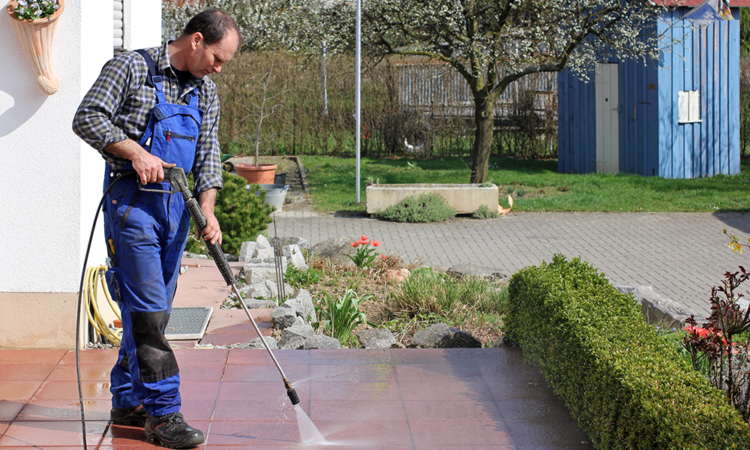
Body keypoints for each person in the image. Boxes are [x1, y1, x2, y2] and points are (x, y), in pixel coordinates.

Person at [73, 9, 240, 449]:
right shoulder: (132, 67)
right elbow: (87, 116)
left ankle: (127, 401)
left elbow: (207, 157)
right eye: (218, 58)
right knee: (150, 314)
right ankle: (164, 414)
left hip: (177, 213)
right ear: (198, 40)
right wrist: (135, 153)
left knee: (150, 310)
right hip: (133, 207)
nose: (219, 69)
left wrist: (208, 210)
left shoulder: (206, 92)